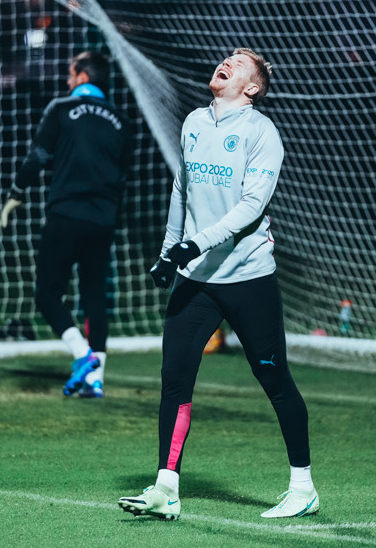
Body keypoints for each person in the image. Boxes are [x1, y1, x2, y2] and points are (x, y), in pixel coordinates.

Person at [118, 48, 317, 520]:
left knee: (274, 380)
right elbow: (181, 190)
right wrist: (170, 251)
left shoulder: (261, 133)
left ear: (252, 87)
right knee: (175, 379)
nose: (226, 62)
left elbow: (251, 208)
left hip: (248, 277)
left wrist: (195, 244)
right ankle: (167, 489)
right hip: (196, 280)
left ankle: (303, 488)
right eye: (227, 57)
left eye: (239, 63)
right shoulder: (194, 122)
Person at [0, 51, 133, 399]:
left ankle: (83, 354)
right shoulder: (121, 120)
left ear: (83, 77)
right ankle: (95, 380)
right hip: (103, 220)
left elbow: (38, 156)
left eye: (72, 73)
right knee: (94, 298)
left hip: (66, 215)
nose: (68, 80)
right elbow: (123, 176)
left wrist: (17, 192)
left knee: (47, 294)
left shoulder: (62, 108)